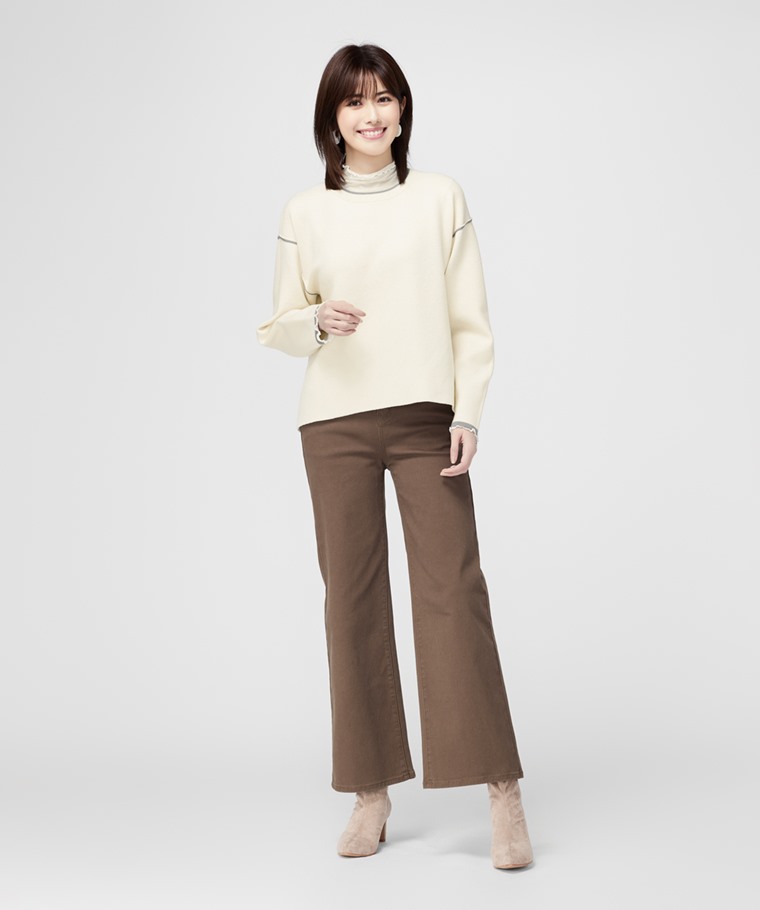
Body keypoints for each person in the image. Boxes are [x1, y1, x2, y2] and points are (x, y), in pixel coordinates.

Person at [257, 43, 533, 870]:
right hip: (333, 423)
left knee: (455, 591)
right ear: (332, 120)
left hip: (423, 418)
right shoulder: (306, 211)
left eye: (384, 98)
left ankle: (502, 790)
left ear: (402, 110)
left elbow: (470, 320)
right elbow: (278, 324)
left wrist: (467, 410)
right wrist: (315, 322)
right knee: (350, 603)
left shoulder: (440, 197)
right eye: (354, 102)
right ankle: (370, 794)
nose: (371, 114)